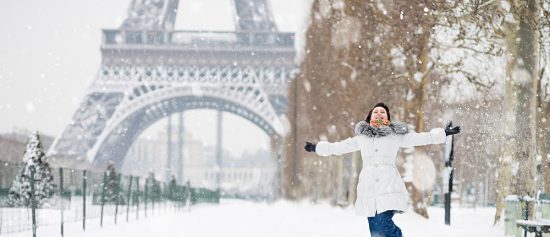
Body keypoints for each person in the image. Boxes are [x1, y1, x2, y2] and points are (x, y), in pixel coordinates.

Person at [304, 102, 461, 237]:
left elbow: (421, 138)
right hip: (368, 188)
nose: (379, 113)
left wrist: (444, 133)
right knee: (375, 230)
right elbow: (339, 147)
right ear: (370, 117)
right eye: (376, 111)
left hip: (388, 186)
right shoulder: (361, 138)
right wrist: (317, 147)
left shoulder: (395, 135)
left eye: (383, 112)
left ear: (388, 119)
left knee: (382, 222)